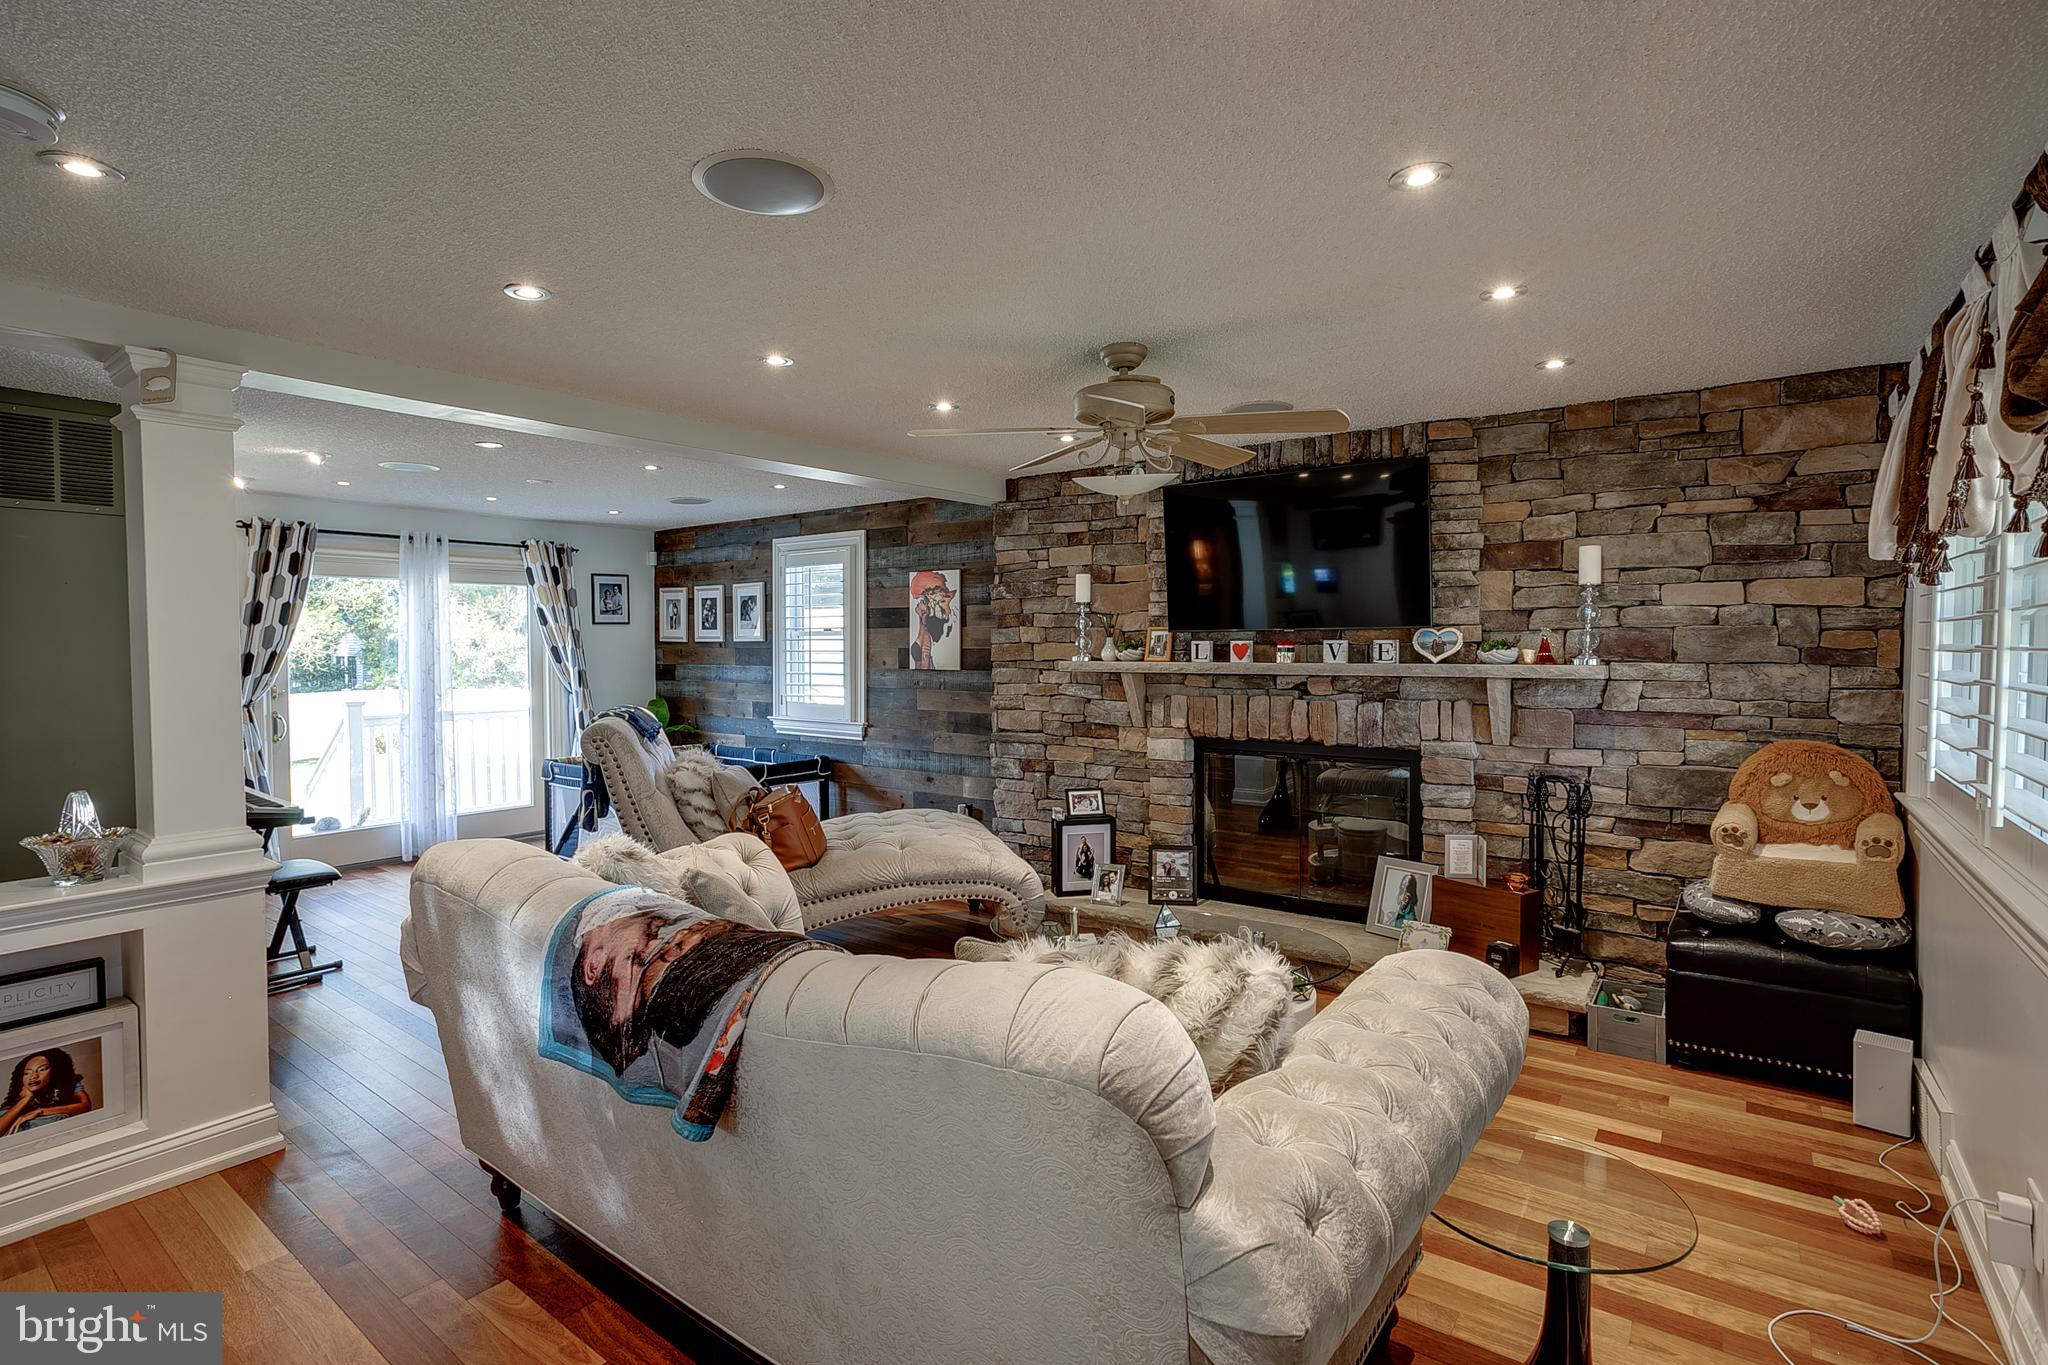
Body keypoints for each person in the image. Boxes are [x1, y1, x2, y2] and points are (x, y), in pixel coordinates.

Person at [0, 1048, 92, 1136]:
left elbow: (85, 1106)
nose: (33, 1076)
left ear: (54, 1071)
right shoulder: (13, 1105)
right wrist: (26, 1099)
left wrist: (40, 1111)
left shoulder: (67, 1086)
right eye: (27, 1073)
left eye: (42, 1069)